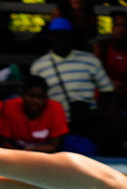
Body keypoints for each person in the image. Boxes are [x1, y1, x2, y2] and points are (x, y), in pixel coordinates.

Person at [31, 18, 116, 154]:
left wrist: (98, 112)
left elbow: (107, 90)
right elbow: (36, 98)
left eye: (64, 35)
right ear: (50, 38)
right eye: (56, 35)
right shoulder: (39, 66)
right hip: (56, 123)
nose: (60, 39)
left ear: (71, 37)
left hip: (89, 119)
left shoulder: (89, 60)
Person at [94, 12, 127, 140]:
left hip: (125, 91)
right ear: (112, 28)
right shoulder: (102, 47)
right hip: (102, 90)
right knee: (112, 96)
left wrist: (125, 88)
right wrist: (109, 84)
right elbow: (94, 75)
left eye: (124, 26)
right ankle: (113, 138)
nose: (120, 30)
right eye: (117, 25)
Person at [0, 75, 69, 153]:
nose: (36, 101)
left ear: (46, 97)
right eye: (31, 96)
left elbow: (55, 146)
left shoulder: (55, 108)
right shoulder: (10, 106)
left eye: (40, 97)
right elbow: (4, 144)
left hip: (45, 157)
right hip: (15, 155)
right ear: (23, 95)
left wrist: (30, 151)